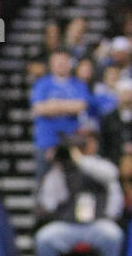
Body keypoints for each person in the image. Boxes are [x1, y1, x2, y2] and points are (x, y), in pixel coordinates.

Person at [34, 131, 124, 256]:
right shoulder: (61, 169)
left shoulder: (100, 164)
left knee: (113, 235)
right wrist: (58, 166)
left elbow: (111, 174)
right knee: (44, 238)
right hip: (70, 225)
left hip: (96, 224)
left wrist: (80, 160)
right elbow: (48, 202)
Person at [30, 49, 90, 180]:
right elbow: (39, 108)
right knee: (44, 181)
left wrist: (54, 104)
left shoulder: (79, 84)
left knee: (73, 181)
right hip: (46, 141)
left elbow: (80, 106)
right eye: (57, 62)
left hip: (72, 141)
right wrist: (67, 106)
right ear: (51, 64)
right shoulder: (42, 84)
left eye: (64, 62)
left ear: (69, 64)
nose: (61, 65)